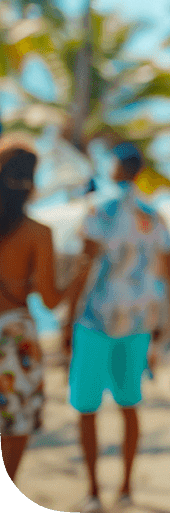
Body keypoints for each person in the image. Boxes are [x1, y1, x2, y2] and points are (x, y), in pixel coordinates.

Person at [63, 142, 170, 513]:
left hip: (96, 317)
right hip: (138, 320)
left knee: (87, 407)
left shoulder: (98, 208)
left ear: (115, 167)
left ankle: (93, 493)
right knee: (130, 403)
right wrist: (169, 324)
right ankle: (127, 489)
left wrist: (67, 318)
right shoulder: (153, 214)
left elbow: (84, 265)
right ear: (139, 170)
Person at [0, 135, 67, 482]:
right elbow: (51, 300)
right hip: (17, 335)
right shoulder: (38, 233)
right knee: (16, 427)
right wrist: (78, 276)